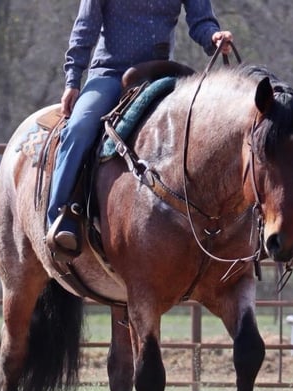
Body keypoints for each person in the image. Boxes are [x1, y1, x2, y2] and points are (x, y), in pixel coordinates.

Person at [46, 0, 234, 254]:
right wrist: (73, 79)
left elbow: (201, 21)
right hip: (110, 72)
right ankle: (62, 216)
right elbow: (86, 27)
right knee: (80, 127)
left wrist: (214, 37)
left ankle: (212, 226)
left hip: (160, 72)